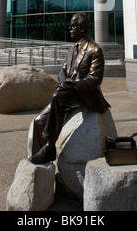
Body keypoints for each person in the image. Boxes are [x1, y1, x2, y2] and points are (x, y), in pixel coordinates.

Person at [29, 12, 110, 164]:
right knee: (39, 121)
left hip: (84, 94)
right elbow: (62, 69)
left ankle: (49, 148)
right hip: (68, 92)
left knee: (57, 98)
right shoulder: (73, 48)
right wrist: (64, 82)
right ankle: (40, 162)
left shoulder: (95, 50)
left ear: (82, 27)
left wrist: (72, 85)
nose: (69, 29)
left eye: (73, 26)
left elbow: (95, 79)